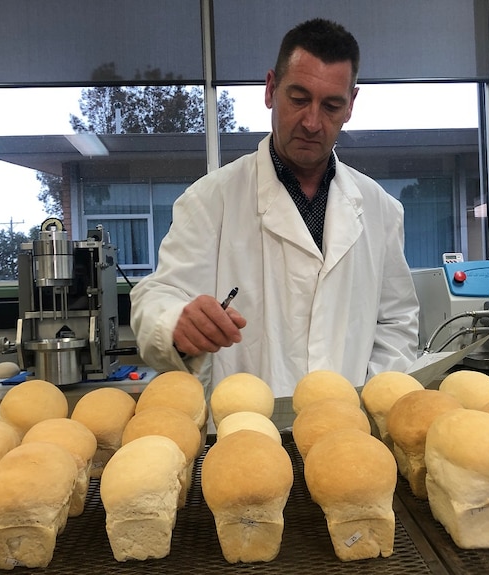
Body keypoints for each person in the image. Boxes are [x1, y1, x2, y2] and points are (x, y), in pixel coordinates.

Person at [130, 18, 419, 401]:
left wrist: (367, 398)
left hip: (346, 431)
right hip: (243, 434)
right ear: (270, 89)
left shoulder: (381, 210)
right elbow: (159, 295)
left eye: (331, 105)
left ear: (350, 105)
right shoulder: (211, 200)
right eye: (298, 99)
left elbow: (396, 322)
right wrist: (175, 324)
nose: (312, 122)